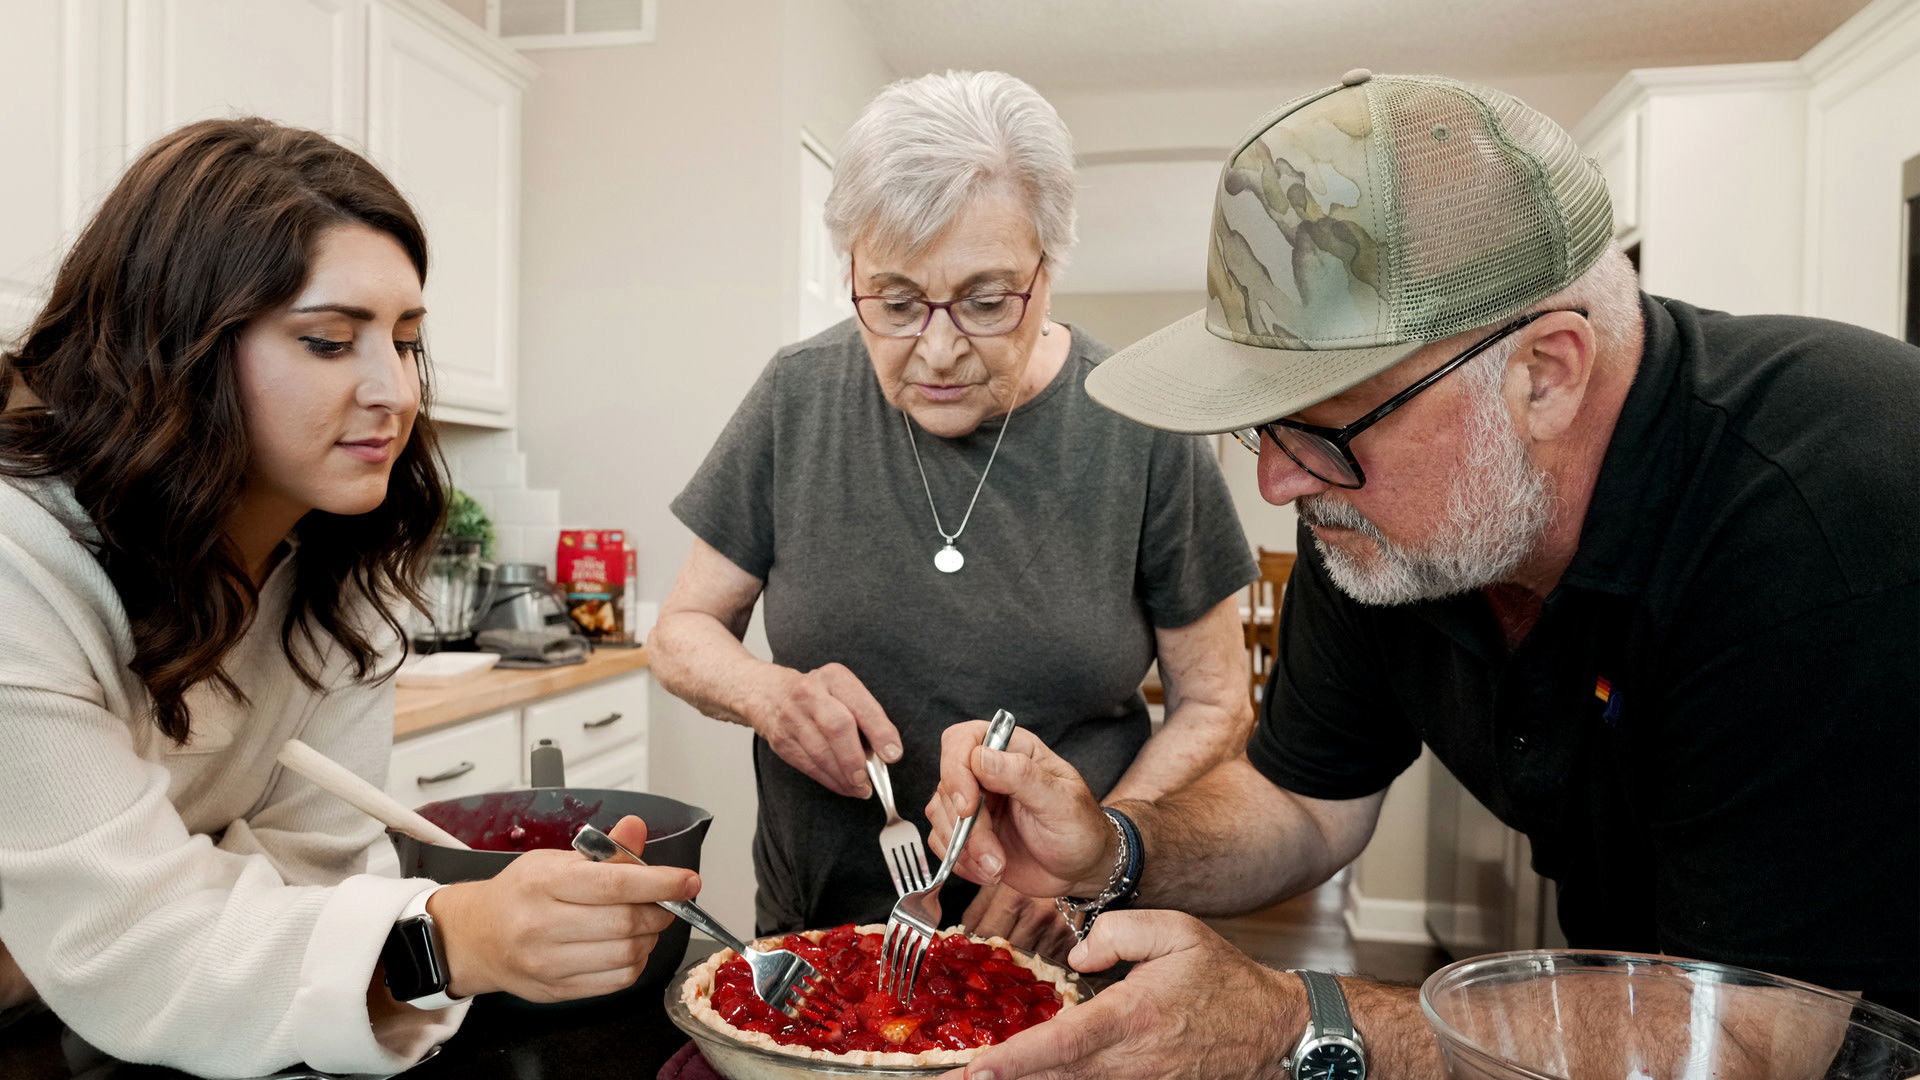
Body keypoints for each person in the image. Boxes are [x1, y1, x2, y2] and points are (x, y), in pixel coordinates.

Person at [923, 70, 1920, 1079]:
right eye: (1263, 424)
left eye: (1324, 425)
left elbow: (1748, 1041)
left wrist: (1286, 1019)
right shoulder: (1388, 523)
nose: (1276, 481)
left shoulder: (1825, 517)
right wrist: (1112, 848)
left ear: (1546, 373)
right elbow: (1304, 803)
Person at [0, 118, 696, 1077]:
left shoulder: (335, 568)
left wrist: (182, 910)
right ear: (174, 349)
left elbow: (309, 873)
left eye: (407, 340)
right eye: (328, 341)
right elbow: (138, 942)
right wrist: (449, 940)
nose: (396, 391)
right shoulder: (21, 562)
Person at [650, 70, 1257, 948]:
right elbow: (681, 631)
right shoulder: (797, 395)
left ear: (1048, 276)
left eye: (984, 301)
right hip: (817, 933)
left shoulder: (1141, 422)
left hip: (1063, 938)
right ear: (851, 271)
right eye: (895, 302)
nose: (936, 349)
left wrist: (1093, 856)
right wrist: (766, 694)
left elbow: (1214, 702)